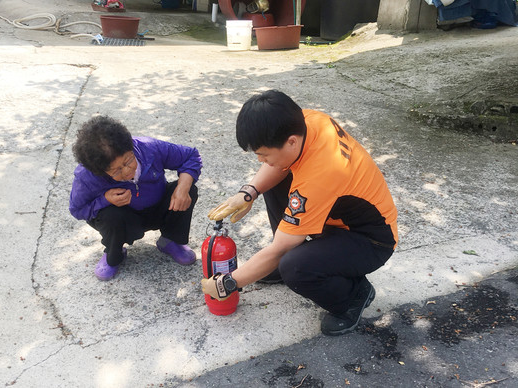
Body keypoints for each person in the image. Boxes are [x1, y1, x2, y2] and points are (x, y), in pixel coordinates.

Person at [202, 90, 398, 336]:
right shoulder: (308, 122)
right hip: (338, 214)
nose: (261, 160)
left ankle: (353, 297)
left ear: (291, 141)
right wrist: (248, 193)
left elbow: (280, 248)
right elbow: (279, 163)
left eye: (263, 154)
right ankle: (300, 258)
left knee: (294, 266)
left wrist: (227, 283)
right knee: (274, 179)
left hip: (370, 240)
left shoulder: (321, 174)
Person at [69, 115, 202, 281]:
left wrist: (182, 188)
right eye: (116, 171)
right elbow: (77, 209)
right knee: (111, 216)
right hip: (126, 220)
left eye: (128, 161)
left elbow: (191, 156)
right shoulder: (86, 176)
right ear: (100, 171)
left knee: (188, 188)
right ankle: (114, 255)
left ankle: (170, 241)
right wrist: (105, 199)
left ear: (131, 146)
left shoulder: (149, 148)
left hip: (158, 208)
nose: (126, 172)